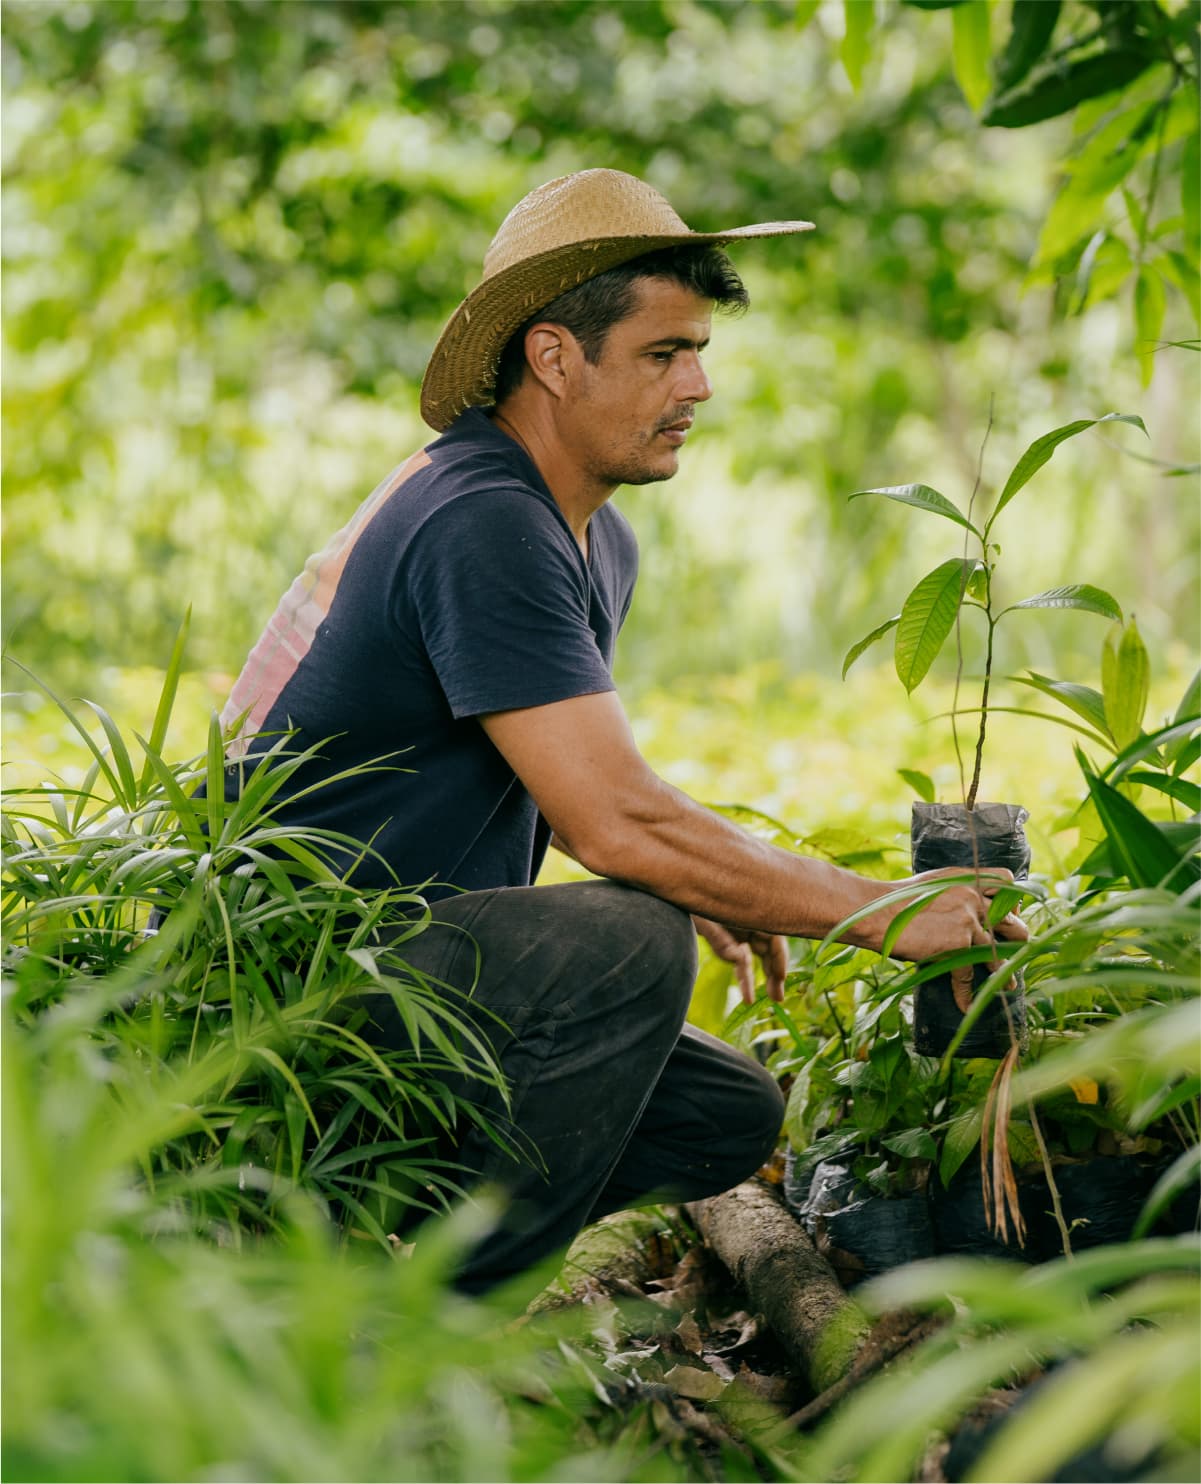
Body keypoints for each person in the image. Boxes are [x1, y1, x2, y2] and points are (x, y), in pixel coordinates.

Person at [220, 169, 1026, 1293]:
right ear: (554, 357)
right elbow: (614, 820)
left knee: (720, 1110)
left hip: (397, 968)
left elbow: (555, 782)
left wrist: (714, 874)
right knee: (632, 942)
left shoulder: (592, 539)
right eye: (662, 353)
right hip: (295, 987)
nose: (697, 383)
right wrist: (880, 910)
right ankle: (423, 1328)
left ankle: (351, 1251)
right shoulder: (480, 518)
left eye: (698, 349)